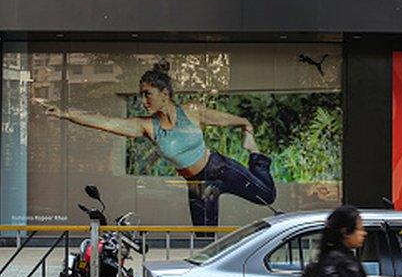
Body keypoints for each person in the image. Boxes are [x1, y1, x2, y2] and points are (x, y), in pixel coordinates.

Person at [34, 61, 277, 226]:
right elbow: (105, 122)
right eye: (141, 94)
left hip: (220, 169)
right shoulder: (147, 127)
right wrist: (66, 114)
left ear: (165, 93)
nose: (143, 100)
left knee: (267, 195)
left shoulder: (191, 112)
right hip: (197, 185)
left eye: (147, 93)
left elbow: (221, 119)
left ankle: (255, 154)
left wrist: (244, 122)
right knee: (205, 239)